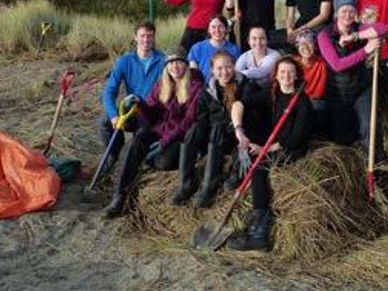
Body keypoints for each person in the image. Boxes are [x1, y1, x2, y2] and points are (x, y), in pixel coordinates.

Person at [103, 47, 203, 217]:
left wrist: (165, 140)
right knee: (135, 142)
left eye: (179, 62)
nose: (175, 67)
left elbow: (188, 122)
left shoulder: (195, 87)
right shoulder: (161, 84)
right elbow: (151, 112)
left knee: (163, 162)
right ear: (167, 67)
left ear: (186, 65)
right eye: (171, 63)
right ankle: (118, 196)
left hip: (178, 135)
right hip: (159, 130)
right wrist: (140, 103)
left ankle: (146, 160)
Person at [227, 56, 313, 251]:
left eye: (291, 72)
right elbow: (239, 104)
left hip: (290, 149)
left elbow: (295, 138)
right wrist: (238, 130)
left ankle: (259, 232)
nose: (286, 75)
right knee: (245, 149)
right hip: (271, 141)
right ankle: (238, 180)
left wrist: (265, 148)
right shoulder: (272, 92)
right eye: (282, 71)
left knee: (259, 167)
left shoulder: (302, 101)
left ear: (297, 75)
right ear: (276, 75)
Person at [184, 50, 267, 208]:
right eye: (219, 68)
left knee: (232, 183)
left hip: (242, 135)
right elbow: (202, 119)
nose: (224, 72)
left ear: (234, 66)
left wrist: (237, 128)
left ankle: (235, 170)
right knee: (212, 128)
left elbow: (254, 115)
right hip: (217, 139)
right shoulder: (207, 91)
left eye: (228, 67)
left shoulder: (246, 85)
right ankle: (208, 184)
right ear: (213, 70)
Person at [317, 0, 388, 161]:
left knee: (370, 128)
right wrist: (366, 50)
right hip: (338, 94)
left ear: (356, 12)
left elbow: (383, 28)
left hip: (361, 89)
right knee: (343, 138)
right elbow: (337, 65)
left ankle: (376, 166)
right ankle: (353, 169)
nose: (347, 14)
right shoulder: (324, 35)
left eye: (351, 10)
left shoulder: (359, 28)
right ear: (336, 13)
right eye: (343, 10)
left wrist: (356, 37)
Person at [99, 21, 165, 170]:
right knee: (104, 122)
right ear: (135, 37)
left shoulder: (163, 61)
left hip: (151, 113)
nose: (146, 40)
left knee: (139, 138)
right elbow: (109, 91)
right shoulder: (125, 61)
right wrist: (113, 115)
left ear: (154, 37)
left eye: (150, 36)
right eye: (142, 36)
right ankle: (114, 155)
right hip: (131, 111)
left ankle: (132, 161)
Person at [294, 29, 327, 137]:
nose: (305, 47)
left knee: (318, 106)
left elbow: (319, 93)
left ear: (316, 46)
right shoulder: (293, 63)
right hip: (295, 101)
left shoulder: (322, 63)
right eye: (301, 44)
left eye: (309, 42)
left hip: (314, 101)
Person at [188, 15, 241, 81]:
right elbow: (194, 75)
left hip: (227, 85)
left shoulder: (234, 49)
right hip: (203, 87)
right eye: (213, 27)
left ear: (226, 29)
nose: (217, 30)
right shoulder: (197, 48)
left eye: (221, 26)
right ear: (209, 30)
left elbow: (236, 72)